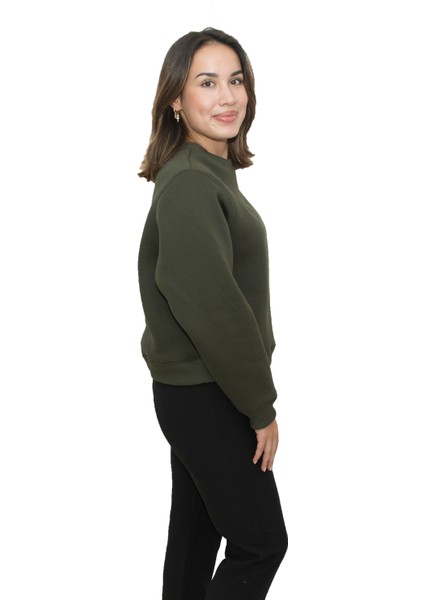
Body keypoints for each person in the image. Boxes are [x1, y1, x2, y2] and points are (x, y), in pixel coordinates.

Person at [137, 27, 288, 600]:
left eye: (236, 80)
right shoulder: (191, 183)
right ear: (176, 99)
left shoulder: (203, 173)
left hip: (197, 390)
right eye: (207, 83)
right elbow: (213, 309)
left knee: (195, 542)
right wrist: (260, 405)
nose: (228, 97)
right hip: (208, 392)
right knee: (260, 544)